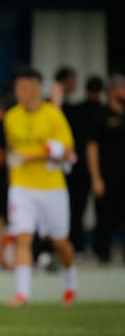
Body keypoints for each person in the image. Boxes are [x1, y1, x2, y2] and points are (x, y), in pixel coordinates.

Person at [3, 66, 78, 306]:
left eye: (24, 87)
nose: (19, 92)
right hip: (21, 186)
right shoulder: (11, 116)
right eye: (17, 87)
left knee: (60, 242)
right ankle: (22, 293)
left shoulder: (53, 115)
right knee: (22, 237)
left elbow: (67, 151)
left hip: (52, 187)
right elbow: (12, 151)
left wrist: (34, 156)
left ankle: (70, 284)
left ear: (37, 88)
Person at [63, 75, 104, 255]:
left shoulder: (77, 109)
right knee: (82, 210)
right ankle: (96, 250)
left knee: (78, 210)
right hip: (86, 169)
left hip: (80, 169)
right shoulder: (101, 111)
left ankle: (80, 247)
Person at [87, 73, 125, 264]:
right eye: (122, 88)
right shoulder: (101, 115)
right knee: (105, 218)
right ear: (112, 90)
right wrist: (96, 178)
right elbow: (92, 147)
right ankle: (103, 256)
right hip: (107, 176)